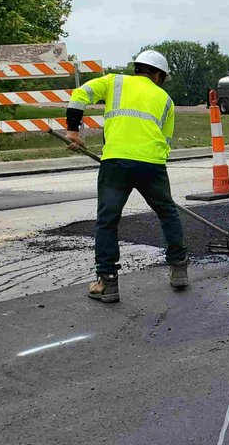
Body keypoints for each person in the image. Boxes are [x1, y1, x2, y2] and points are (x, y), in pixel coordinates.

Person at [64, 50, 187, 303]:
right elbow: (166, 141)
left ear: (138, 68)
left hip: (116, 163)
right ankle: (179, 268)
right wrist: (153, 167)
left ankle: (107, 283)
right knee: (167, 212)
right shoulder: (165, 100)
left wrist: (73, 130)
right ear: (157, 74)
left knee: (107, 221)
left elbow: (79, 95)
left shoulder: (113, 82)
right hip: (152, 165)